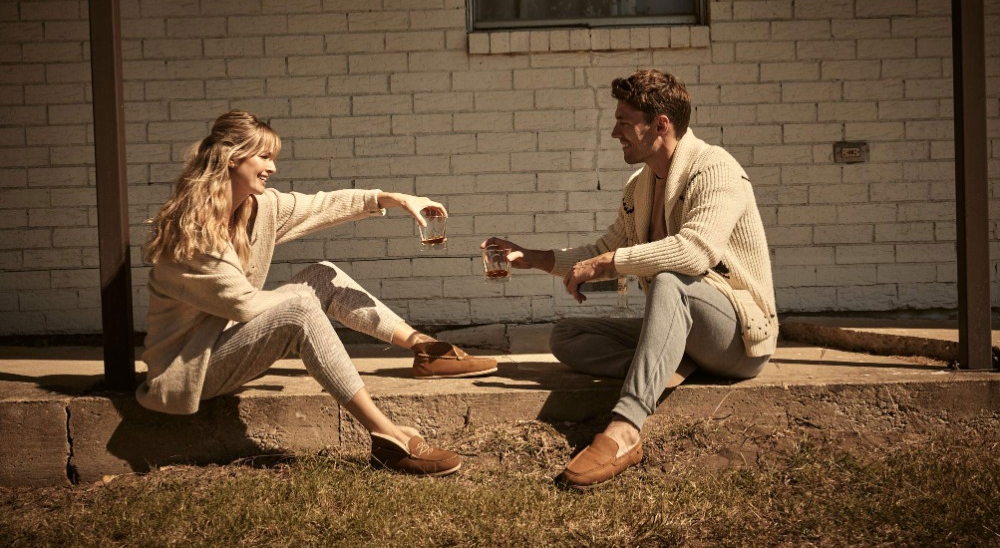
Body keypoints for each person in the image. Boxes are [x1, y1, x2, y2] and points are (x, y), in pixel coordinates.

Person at [137, 109, 496, 477]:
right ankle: (387, 436)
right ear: (232, 157)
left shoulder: (256, 209)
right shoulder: (193, 232)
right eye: (264, 157)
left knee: (321, 276)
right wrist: (301, 302)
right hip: (188, 372)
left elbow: (323, 205)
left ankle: (427, 350)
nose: (272, 167)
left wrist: (394, 198)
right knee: (300, 308)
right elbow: (243, 305)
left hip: (226, 346)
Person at [482, 69, 777, 489]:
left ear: (660, 124)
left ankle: (625, 428)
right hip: (690, 331)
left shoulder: (715, 168)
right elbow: (605, 247)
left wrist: (610, 263)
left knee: (670, 281)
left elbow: (696, 252)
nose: (614, 132)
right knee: (567, 336)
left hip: (738, 337)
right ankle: (664, 366)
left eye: (624, 121)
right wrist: (534, 258)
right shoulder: (639, 186)